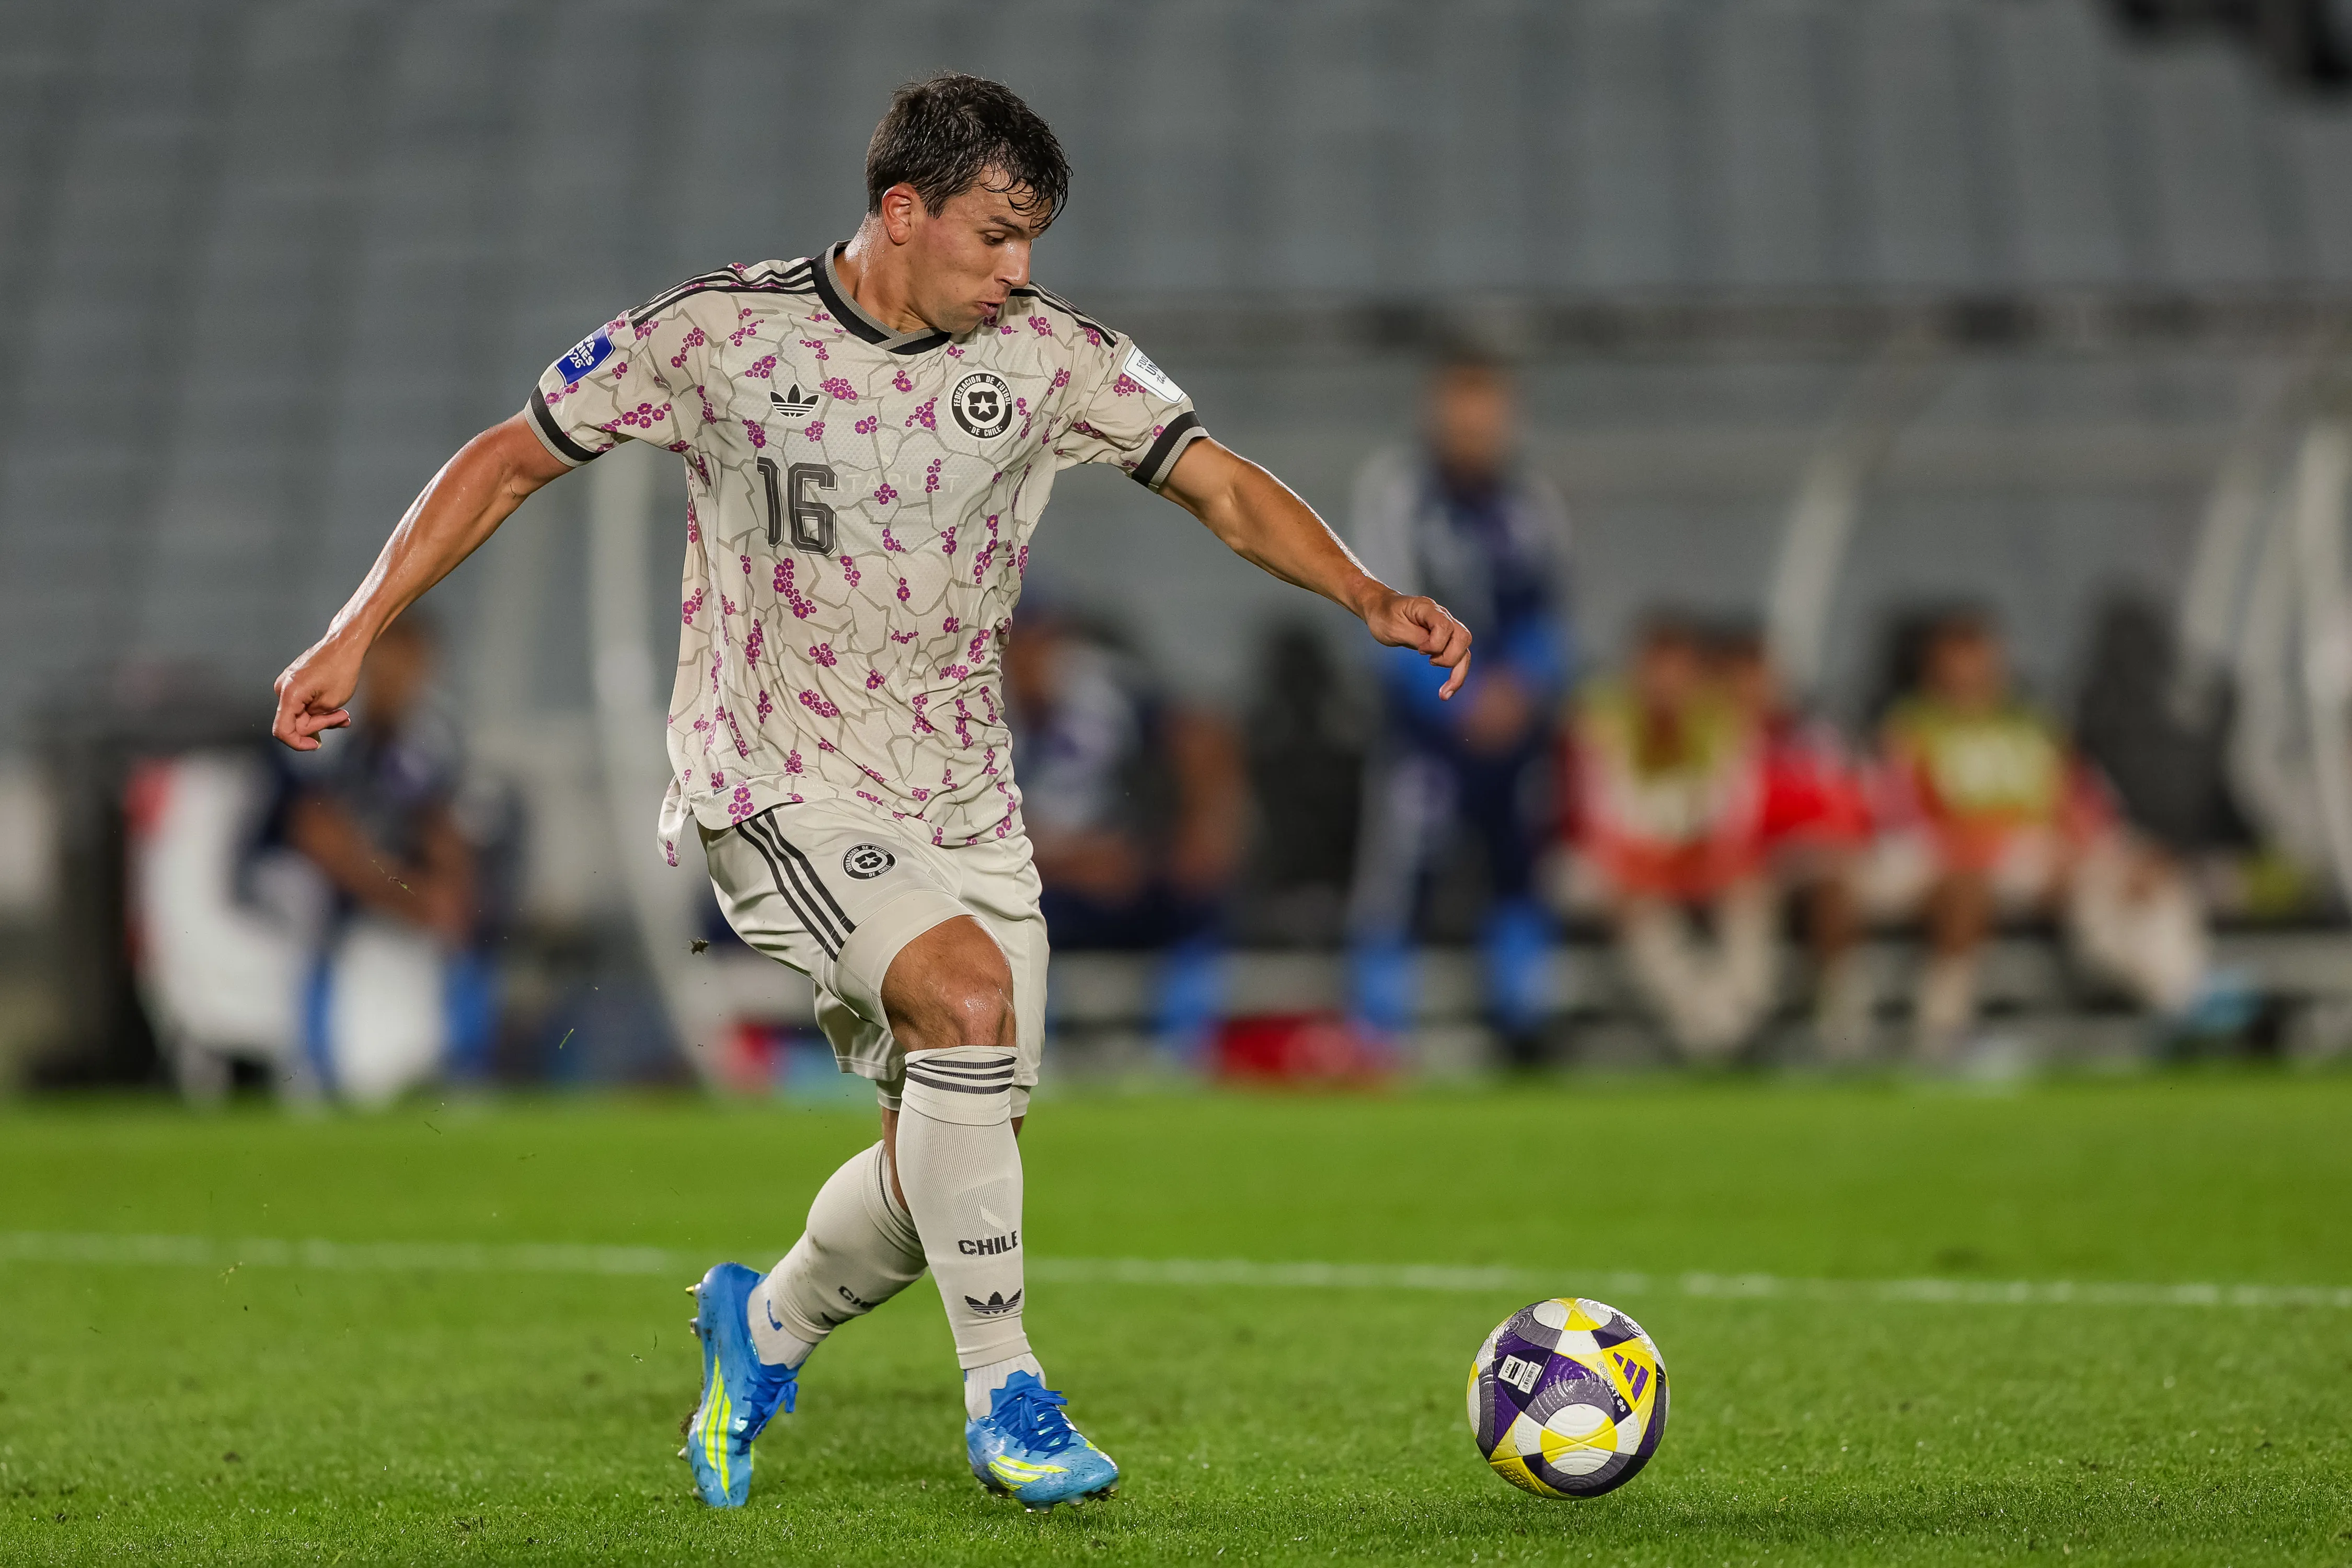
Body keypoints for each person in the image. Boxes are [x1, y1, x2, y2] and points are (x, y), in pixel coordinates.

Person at [268, 74, 1472, 1512]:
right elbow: (507, 459)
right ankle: (1009, 1395)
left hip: (965, 806)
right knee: (968, 1007)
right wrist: (357, 627)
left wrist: (1363, 590)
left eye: (1033, 241)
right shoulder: (716, 335)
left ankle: (759, 1326)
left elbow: (1215, 482)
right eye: (994, 236)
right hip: (773, 785)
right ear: (901, 211)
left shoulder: (1046, 360)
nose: (1020, 270)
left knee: (959, 1149)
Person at [1345, 350, 1571, 1064]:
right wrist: (1457, 698)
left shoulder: (1530, 503)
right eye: (1463, 413)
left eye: (1489, 415)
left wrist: (1522, 690)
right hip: (1426, 727)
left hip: (1510, 728)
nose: (1477, 430)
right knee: (1404, 865)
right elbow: (1380, 600)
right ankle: (1378, 1028)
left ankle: (1524, 1019)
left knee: (1520, 861)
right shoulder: (1398, 492)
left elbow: (1548, 615)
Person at [1873, 609, 2209, 1062]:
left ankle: (2193, 1003)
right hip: (1969, 861)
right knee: (2093, 894)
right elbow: (1903, 823)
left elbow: (2084, 802)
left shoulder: (2032, 725)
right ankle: (2169, 1003)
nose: (1972, 672)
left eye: (1980, 658)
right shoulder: (1911, 728)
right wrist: (2027, 852)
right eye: (1958, 660)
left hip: (2052, 855)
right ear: (1933, 667)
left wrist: (2106, 850)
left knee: (2152, 873)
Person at [1004, 604, 1243, 1060]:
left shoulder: (1103, 686)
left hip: (1114, 862)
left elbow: (1203, 733)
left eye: (1045, 638)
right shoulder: (959, 700)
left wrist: (1204, 829)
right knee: (1000, 912)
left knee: (1194, 895)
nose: (1034, 655)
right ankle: (1027, 1052)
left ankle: (1185, 1049)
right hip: (1026, 875)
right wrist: (1071, 864)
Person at [1566, 614, 1772, 1062]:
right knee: (1628, 902)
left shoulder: (1723, 721)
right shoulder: (1605, 720)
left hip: (1688, 861)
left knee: (1750, 891)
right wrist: (1654, 867)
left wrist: (1697, 864)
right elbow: (1599, 823)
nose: (1666, 686)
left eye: (1678, 673)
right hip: (1618, 867)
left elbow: (1736, 819)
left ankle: (1743, 1013)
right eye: (1656, 671)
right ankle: (1712, 1032)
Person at [1710, 625, 1876, 1060]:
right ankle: (1741, 1020)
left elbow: (1849, 808)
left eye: (1762, 676)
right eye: (1742, 678)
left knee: (1831, 882)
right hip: (1739, 868)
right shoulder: (1713, 739)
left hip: (1816, 858)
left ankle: (1842, 1019)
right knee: (1745, 892)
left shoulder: (1814, 735)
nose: (1756, 689)